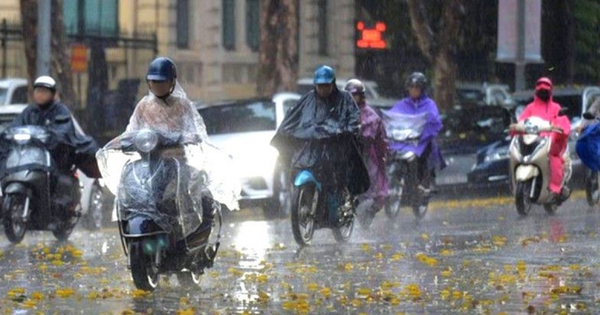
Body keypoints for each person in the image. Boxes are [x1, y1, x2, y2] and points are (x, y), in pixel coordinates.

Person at [123, 56, 240, 230]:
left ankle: (185, 234)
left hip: (178, 166)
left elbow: (194, 131)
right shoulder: (143, 106)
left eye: (162, 82)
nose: (158, 86)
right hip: (149, 166)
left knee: (179, 201)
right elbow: (131, 131)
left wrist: (185, 138)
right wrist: (123, 142)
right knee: (136, 199)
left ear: (171, 83)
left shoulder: (183, 105)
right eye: (154, 82)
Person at [270, 65, 369, 217]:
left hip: (336, 149)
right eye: (320, 86)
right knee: (297, 166)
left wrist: (345, 130)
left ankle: (341, 204)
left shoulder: (345, 98)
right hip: (311, 149)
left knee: (336, 176)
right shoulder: (307, 100)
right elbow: (292, 118)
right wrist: (287, 132)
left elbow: (353, 118)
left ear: (333, 84)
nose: (323, 89)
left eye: (326, 85)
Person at [0, 75, 101, 215]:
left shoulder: (60, 111)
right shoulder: (29, 111)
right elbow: (14, 127)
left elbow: (63, 132)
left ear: (52, 94)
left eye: (44, 91)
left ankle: (56, 207)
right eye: (38, 91)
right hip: (27, 159)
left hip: (52, 158)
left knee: (55, 178)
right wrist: (7, 135)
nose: (40, 94)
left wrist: (51, 137)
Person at [387, 72, 445, 199]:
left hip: (420, 141)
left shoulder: (429, 104)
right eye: (411, 87)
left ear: (422, 89)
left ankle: (425, 181)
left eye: (416, 87)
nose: (413, 90)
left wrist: (427, 128)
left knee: (425, 153)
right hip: (404, 141)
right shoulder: (403, 104)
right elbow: (392, 116)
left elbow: (434, 119)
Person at [512, 77, 571, 202]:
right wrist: (515, 128)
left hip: (551, 142)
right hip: (533, 141)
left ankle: (556, 188)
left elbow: (562, 121)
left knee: (554, 159)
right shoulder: (530, 108)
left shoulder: (556, 107)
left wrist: (560, 130)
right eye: (540, 88)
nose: (543, 91)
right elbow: (522, 121)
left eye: (546, 88)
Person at [344, 79, 388, 227]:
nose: (352, 100)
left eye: (355, 96)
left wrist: (360, 130)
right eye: (349, 96)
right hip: (345, 155)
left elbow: (371, 136)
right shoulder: (342, 112)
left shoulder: (370, 115)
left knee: (374, 192)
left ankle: (367, 212)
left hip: (366, 158)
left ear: (361, 96)